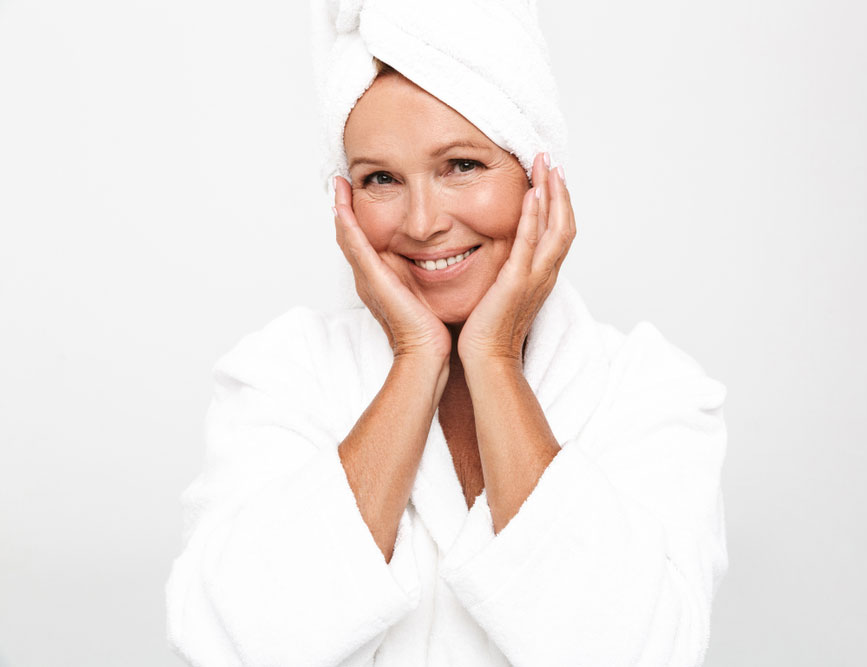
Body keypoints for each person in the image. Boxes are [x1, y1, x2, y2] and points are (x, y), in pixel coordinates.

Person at [165, 1, 729, 666]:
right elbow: (228, 644)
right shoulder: (283, 374)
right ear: (344, 199)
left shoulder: (646, 390)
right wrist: (416, 359)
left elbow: (639, 654)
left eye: (461, 165)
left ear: (537, 175)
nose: (424, 221)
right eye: (380, 179)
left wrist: (492, 360)